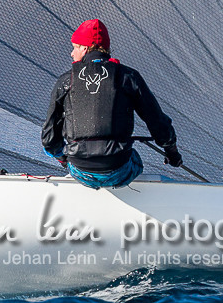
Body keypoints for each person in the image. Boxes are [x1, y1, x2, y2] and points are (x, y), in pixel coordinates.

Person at [41, 18, 181, 188]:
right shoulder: (128, 77)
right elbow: (157, 121)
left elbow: (49, 140)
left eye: (75, 47)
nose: (72, 53)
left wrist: (64, 159)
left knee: (78, 164)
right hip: (119, 170)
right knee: (135, 160)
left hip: (80, 171)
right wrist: (172, 153)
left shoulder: (65, 81)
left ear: (85, 48)